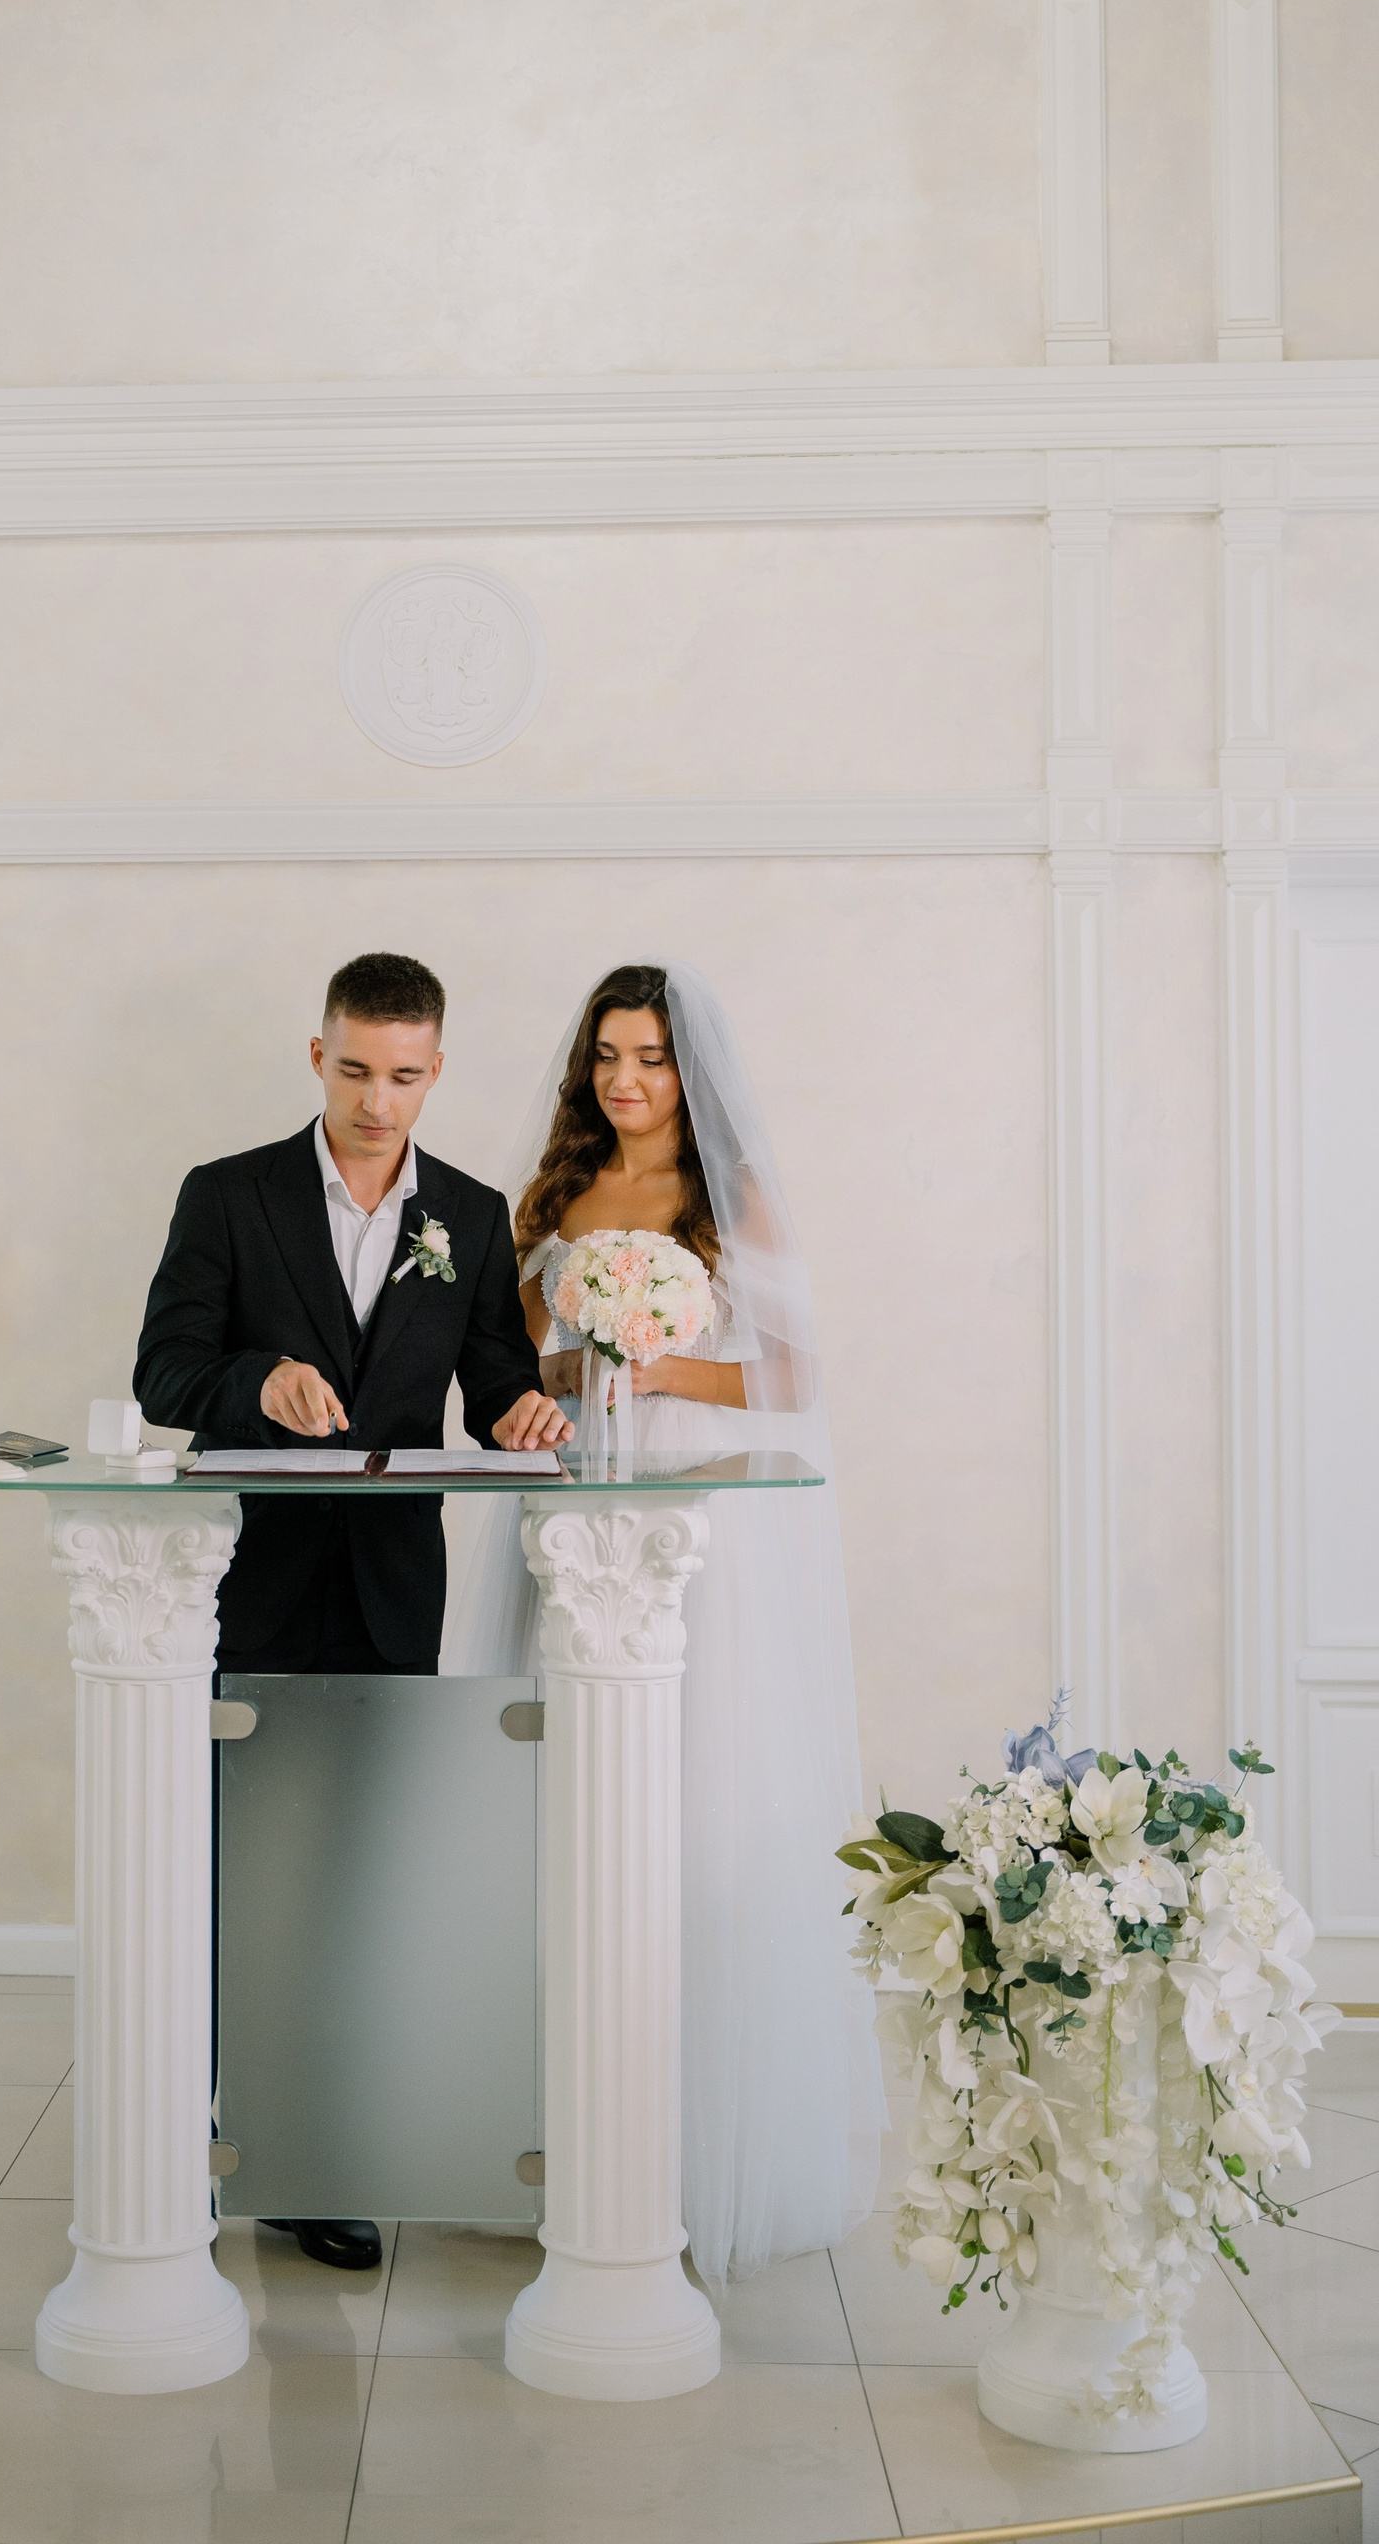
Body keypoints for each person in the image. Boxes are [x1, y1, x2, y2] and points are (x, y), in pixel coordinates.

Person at [443, 959, 883, 2286]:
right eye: (607, 1057)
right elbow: (517, 1355)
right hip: (573, 1499)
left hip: (693, 1517)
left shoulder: (729, 1197)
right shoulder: (557, 1195)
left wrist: (655, 1363)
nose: (624, 1081)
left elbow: (792, 1375)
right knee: (559, 1803)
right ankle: (554, 2136)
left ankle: (693, 2146)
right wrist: (565, 1372)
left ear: (690, 1074)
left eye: (649, 1058)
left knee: (688, 1801)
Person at [134, 949, 570, 2270]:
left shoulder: (472, 1215)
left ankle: (320, 2149)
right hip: (249, 1584)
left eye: (406, 1077)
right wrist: (258, 1380)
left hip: (391, 1591)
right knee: (234, 1864)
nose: (380, 1103)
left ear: (437, 1071)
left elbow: (492, 1380)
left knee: (358, 1875)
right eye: (357, 1071)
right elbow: (165, 1371)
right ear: (316, 1055)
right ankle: (198, 2134)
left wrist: (523, 1411)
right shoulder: (228, 1195)